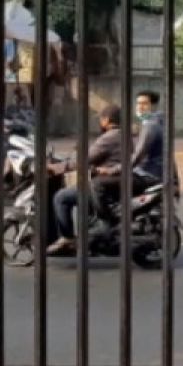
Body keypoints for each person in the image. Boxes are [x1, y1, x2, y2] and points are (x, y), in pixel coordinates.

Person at [47, 103, 128, 256]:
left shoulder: (109, 138)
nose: (100, 122)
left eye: (101, 119)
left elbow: (84, 160)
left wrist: (56, 168)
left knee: (61, 197)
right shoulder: (124, 135)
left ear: (106, 120)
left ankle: (67, 238)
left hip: (106, 186)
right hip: (116, 183)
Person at [132, 89, 167, 192]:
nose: (140, 107)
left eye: (144, 104)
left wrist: (117, 169)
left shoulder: (151, 125)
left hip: (147, 173)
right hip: (157, 171)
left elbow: (138, 155)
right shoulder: (158, 121)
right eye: (138, 103)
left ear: (153, 106)